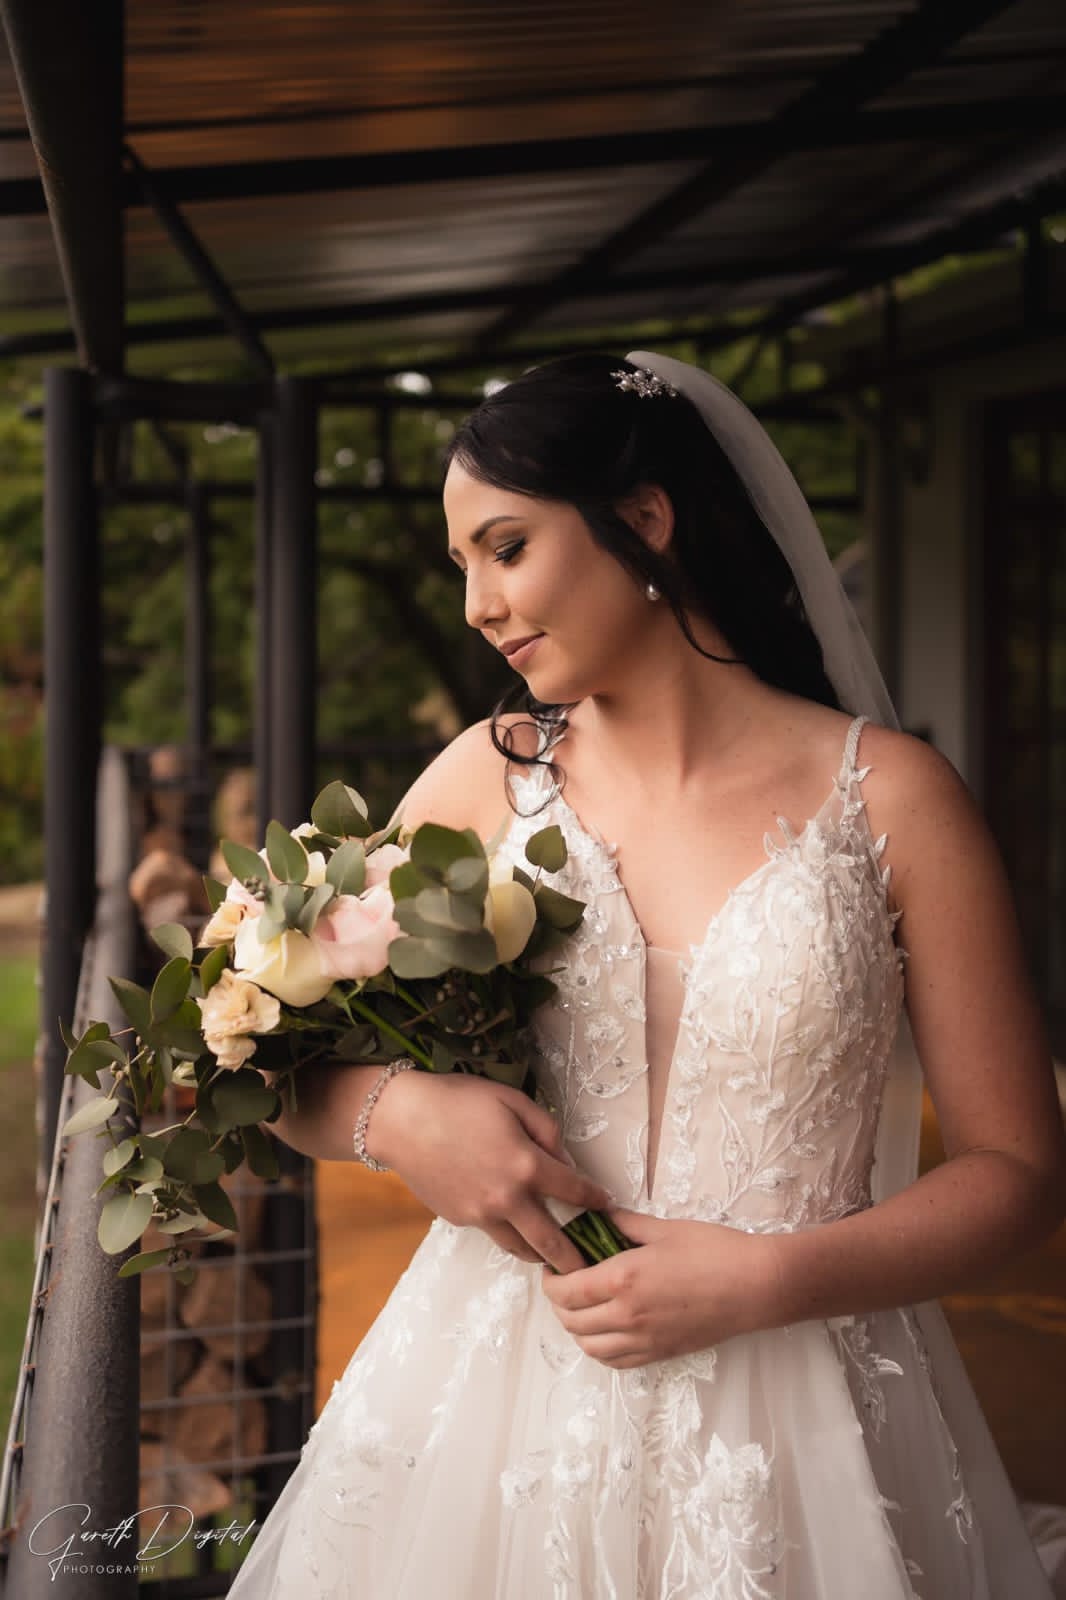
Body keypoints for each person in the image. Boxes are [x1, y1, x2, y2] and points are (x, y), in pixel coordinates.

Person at [228, 351, 1066, 1598]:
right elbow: (257, 1057)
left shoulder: (891, 798)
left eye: (504, 548)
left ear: (643, 520)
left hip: (805, 1419)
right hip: (490, 1411)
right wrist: (400, 1115)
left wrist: (771, 1275)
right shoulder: (478, 785)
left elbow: (1018, 1171)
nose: (475, 604)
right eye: (460, 565)